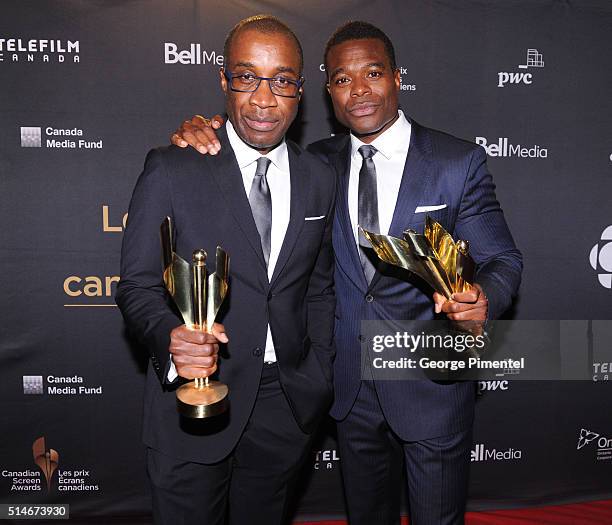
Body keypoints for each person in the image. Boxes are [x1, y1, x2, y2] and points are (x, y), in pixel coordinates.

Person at [170, 21, 522, 525]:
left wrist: (482, 300)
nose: (358, 90)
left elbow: (504, 260)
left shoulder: (455, 161)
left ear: (397, 78)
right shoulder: (315, 165)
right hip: (346, 389)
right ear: (326, 90)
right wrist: (203, 129)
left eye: (372, 73)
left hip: (432, 383)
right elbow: (246, 153)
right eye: (341, 78)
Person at [116, 15, 336, 525]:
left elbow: (318, 287)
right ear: (223, 81)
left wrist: (318, 371)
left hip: (287, 406)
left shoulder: (318, 177)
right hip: (190, 403)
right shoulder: (173, 166)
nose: (264, 99)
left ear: (300, 89)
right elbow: (138, 285)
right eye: (246, 76)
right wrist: (171, 339)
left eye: (282, 80)